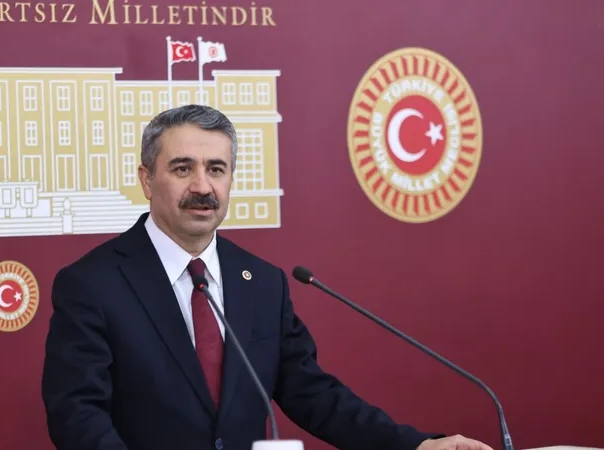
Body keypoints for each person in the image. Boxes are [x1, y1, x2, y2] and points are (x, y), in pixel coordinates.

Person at [41, 104, 495, 450]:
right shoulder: (92, 284)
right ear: (146, 179)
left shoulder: (261, 282)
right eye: (182, 168)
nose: (202, 186)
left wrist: (414, 446)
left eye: (216, 169)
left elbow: (313, 394)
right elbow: (77, 416)